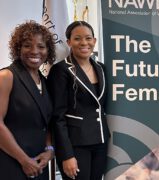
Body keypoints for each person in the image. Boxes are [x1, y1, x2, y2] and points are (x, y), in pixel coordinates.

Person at [47, 21, 110, 180]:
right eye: (77, 38)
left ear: (94, 41)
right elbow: (57, 117)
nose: (84, 43)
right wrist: (67, 155)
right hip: (76, 145)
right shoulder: (60, 70)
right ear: (69, 42)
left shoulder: (102, 68)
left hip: (100, 142)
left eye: (88, 38)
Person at [0, 20, 55, 179]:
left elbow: (46, 123)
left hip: (39, 165)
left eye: (41, 46)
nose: (34, 51)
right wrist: (24, 160)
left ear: (48, 50)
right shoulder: (6, 76)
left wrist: (49, 151)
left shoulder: (44, 81)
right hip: (11, 163)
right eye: (27, 45)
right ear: (18, 49)